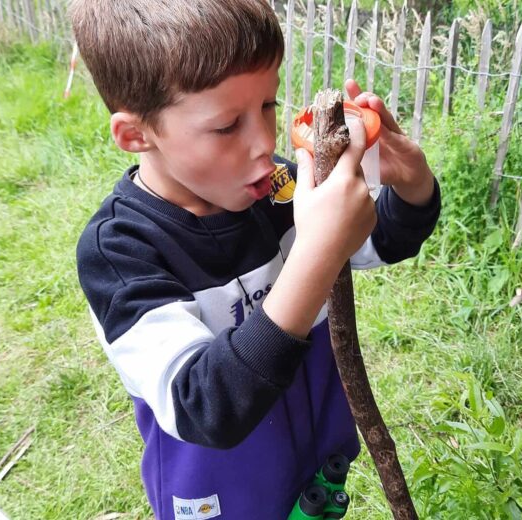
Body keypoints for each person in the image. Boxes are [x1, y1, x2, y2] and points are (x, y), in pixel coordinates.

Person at [71, 1, 440, 518]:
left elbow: (380, 241)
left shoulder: (281, 188)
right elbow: (204, 405)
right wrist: (315, 253)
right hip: (221, 492)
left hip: (314, 456)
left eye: (268, 105)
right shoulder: (121, 252)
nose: (265, 143)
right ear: (137, 135)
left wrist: (413, 184)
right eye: (227, 126)